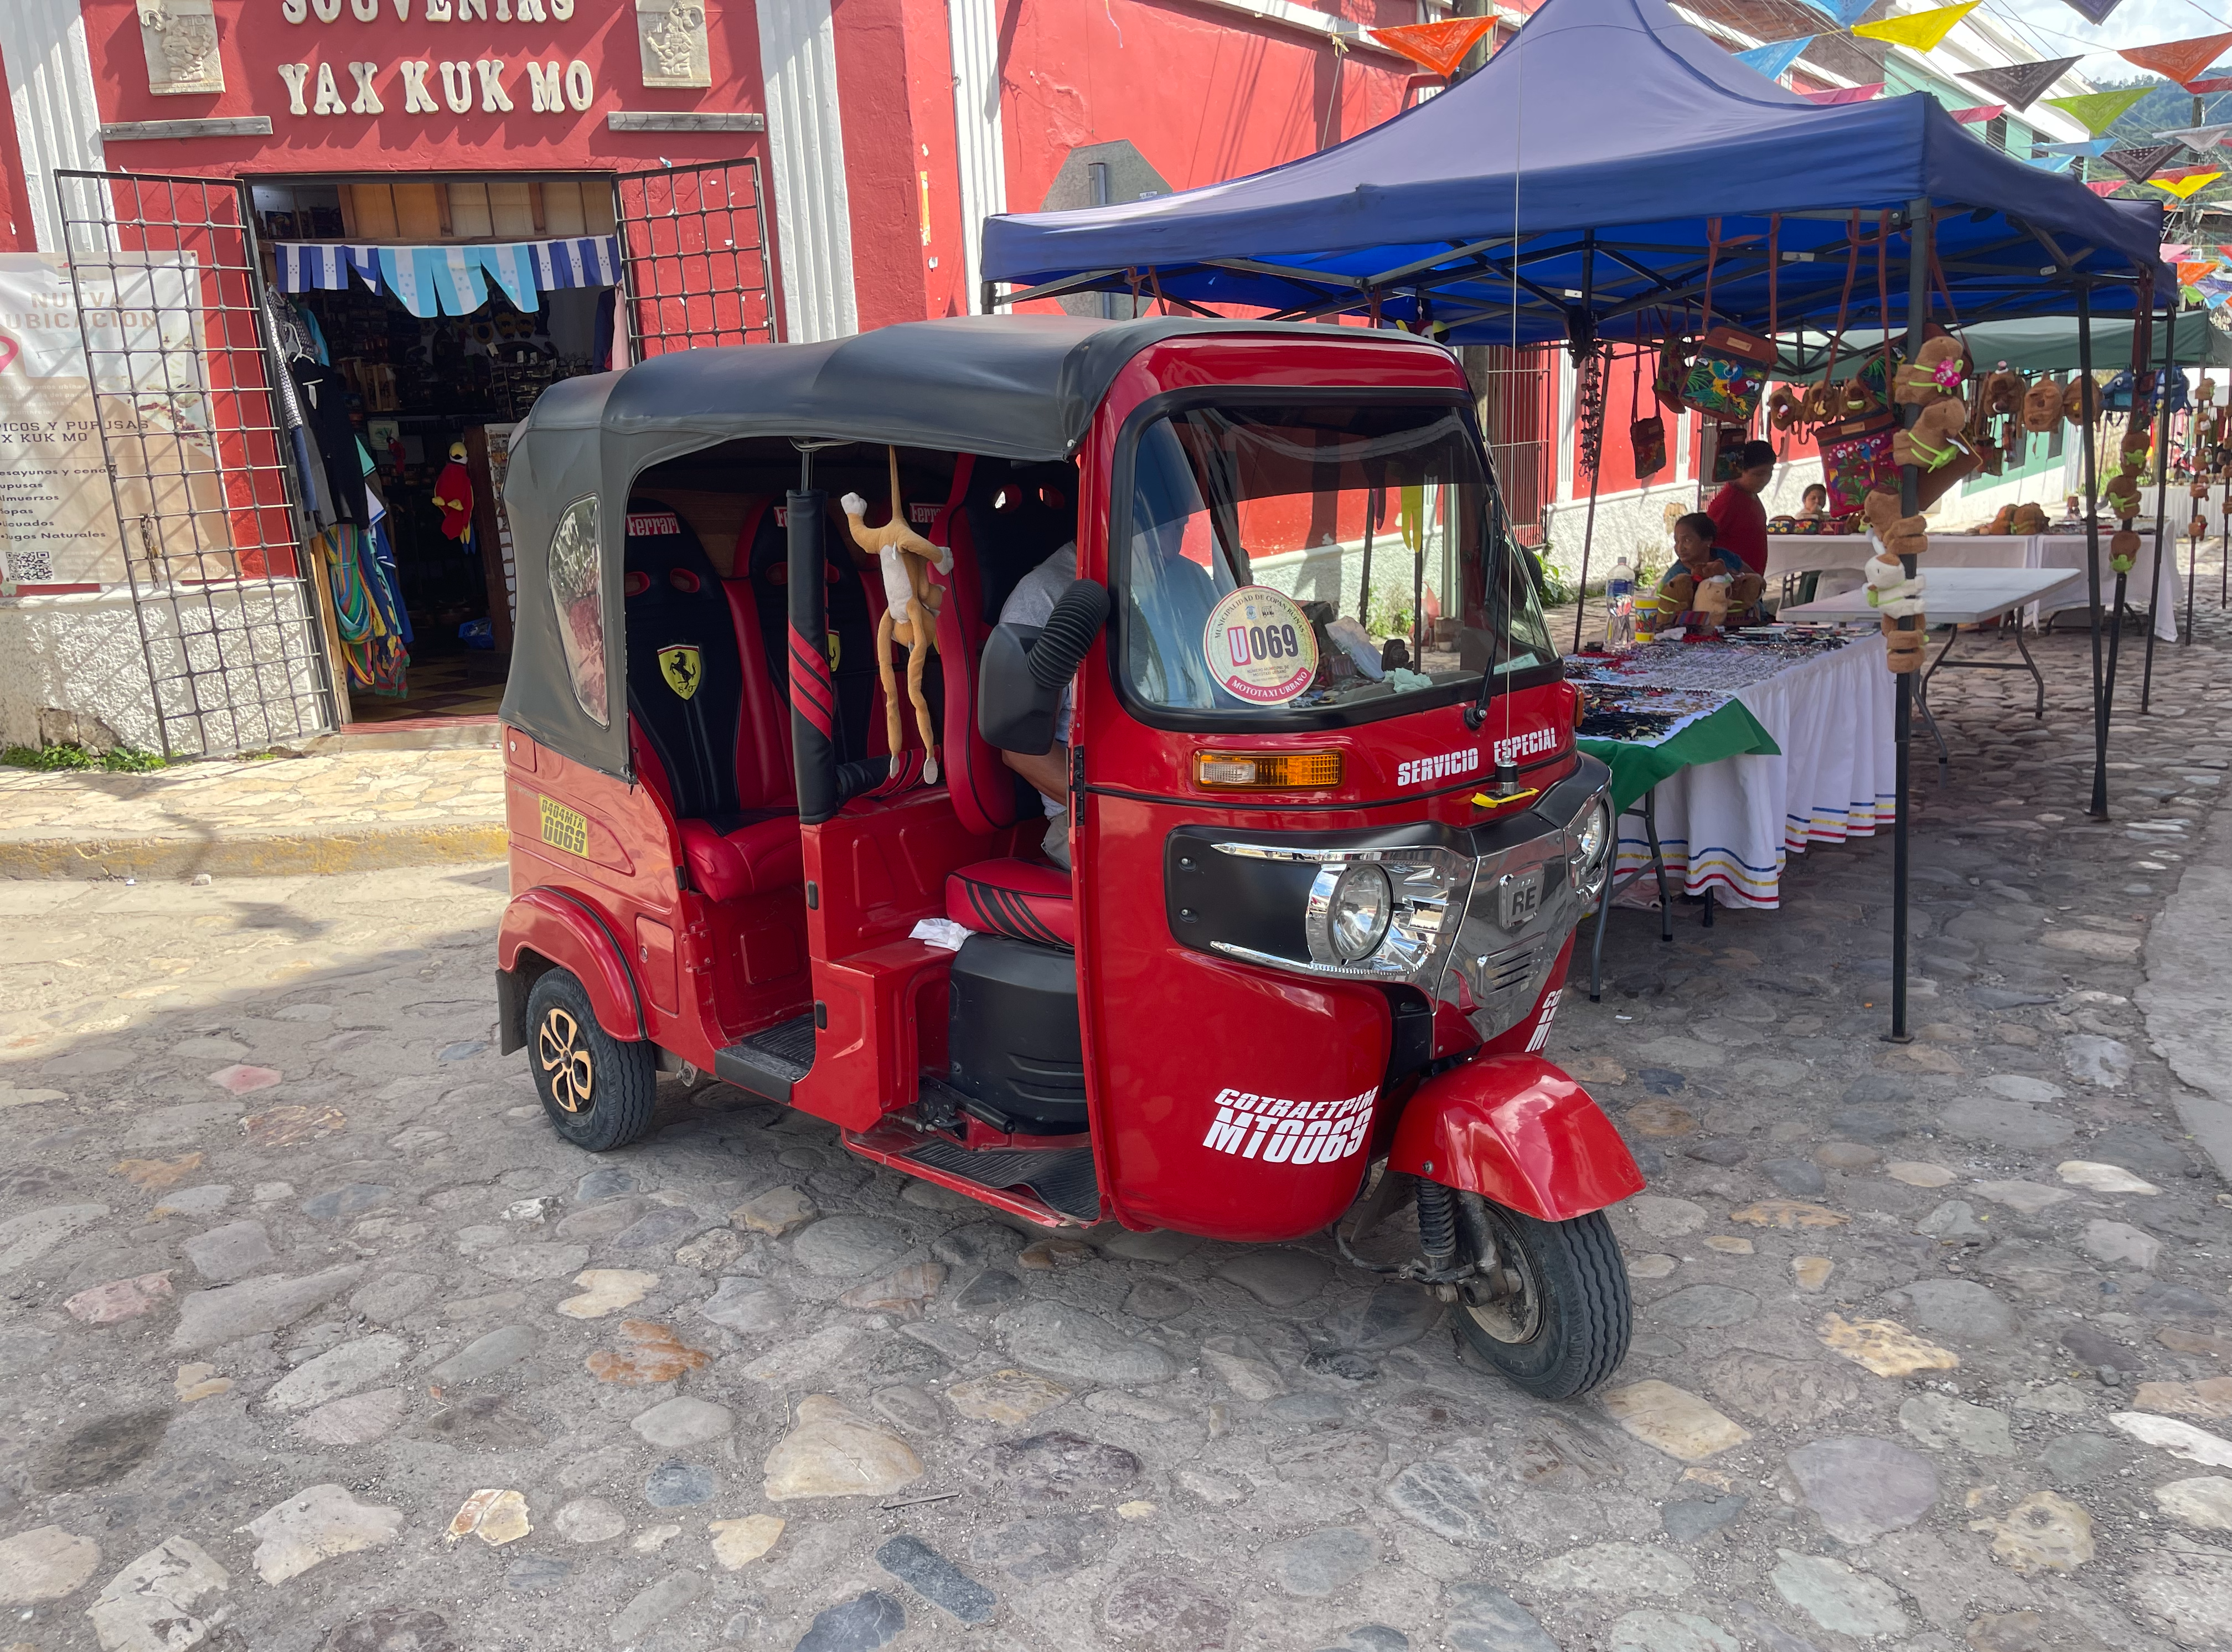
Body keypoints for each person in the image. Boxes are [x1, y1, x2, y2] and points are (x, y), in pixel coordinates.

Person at [996, 539, 1079, 871]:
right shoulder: (1045, 594)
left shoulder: (1186, 579)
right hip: (1085, 819)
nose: (1187, 519)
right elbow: (1022, 750)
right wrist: (1121, 810)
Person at [1655, 512, 1763, 632]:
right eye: (1677, 541)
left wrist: (1734, 578)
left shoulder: (1725, 557)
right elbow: (1664, 612)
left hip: (1745, 626)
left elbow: (1757, 582)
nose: (1680, 548)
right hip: (1700, 633)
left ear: (1708, 540)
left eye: (1687, 540)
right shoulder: (1677, 576)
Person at [1706, 438, 1776, 575]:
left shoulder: (1751, 495)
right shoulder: (1728, 502)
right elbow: (1704, 541)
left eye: (1770, 472)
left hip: (1751, 581)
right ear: (1740, 470)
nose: (1765, 479)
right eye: (1759, 474)